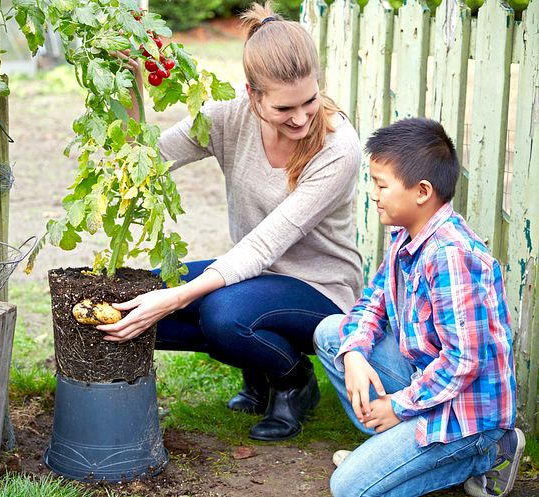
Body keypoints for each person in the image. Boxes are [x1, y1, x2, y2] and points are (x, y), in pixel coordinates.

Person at [98, 1, 363, 441]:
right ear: (252, 93)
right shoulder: (227, 116)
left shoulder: (337, 148)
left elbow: (265, 244)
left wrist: (178, 296)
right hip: (249, 272)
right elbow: (148, 160)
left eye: (310, 101)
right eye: (283, 109)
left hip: (320, 287)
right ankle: (259, 363)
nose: (300, 118)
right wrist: (130, 91)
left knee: (221, 314)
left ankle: (294, 383)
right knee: (136, 303)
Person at [313, 117, 524, 497]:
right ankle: (392, 450)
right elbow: (372, 303)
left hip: (468, 415)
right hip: (426, 380)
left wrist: (398, 404)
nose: (373, 195)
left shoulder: (450, 255)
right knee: (333, 335)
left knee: (349, 489)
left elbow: (463, 362)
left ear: (422, 191)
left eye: (381, 185)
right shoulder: (405, 236)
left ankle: (487, 455)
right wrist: (356, 356)